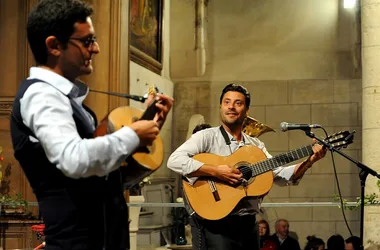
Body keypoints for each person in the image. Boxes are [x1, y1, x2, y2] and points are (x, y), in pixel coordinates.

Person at [10, 0, 173, 249]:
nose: (95, 49)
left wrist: (145, 130)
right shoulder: (42, 95)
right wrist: (131, 135)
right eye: (87, 41)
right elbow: (73, 159)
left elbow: (100, 177)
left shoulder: (67, 100)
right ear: (54, 46)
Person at [167, 83, 326, 250]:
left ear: (247, 110)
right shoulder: (206, 137)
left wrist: (309, 161)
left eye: (238, 103)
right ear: (221, 106)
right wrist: (216, 171)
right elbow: (175, 160)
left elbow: (280, 175)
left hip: (249, 227)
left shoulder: (256, 145)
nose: (231, 107)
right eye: (227, 102)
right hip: (217, 226)